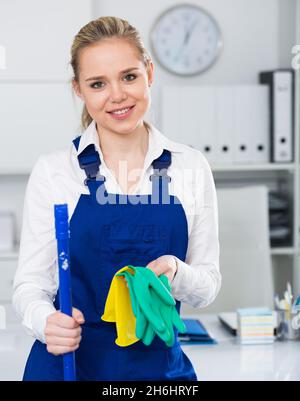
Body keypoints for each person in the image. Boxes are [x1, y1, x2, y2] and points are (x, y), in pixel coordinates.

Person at [13, 16, 221, 381]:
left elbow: (207, 285)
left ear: (150, 73)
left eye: (129, 76)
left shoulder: (191, 168)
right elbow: (30, 285)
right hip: (70, 366)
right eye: (98, 83)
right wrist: (45, 322)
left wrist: (176, 270)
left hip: (159, 372)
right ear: (79, 89)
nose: (118, 95)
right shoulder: (56, 171)